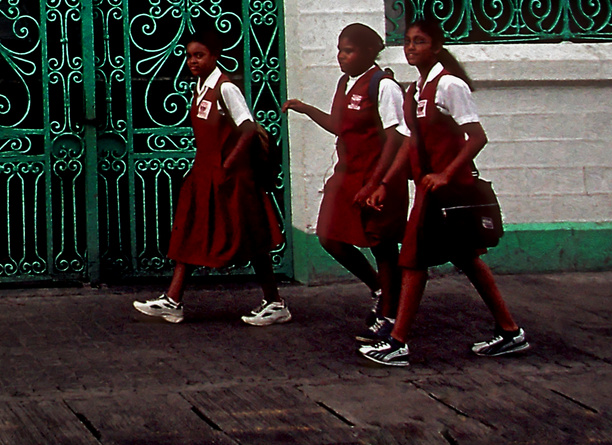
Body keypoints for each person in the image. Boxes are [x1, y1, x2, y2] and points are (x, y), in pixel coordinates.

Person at [359, 17, 528, 367]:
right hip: (428, 189)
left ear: (436, 47)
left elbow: (477, 136)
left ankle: (397, 341)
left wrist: (446, 174)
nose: (411, 48)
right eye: (407, 41)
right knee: (467, 259)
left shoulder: (449, 85)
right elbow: (410, 144)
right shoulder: (414, 90)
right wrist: (384, 184)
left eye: (419, 42)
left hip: (446, 192)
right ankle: (510, 332)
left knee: (413, 262)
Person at [134, 28, 289, 327]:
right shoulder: (200, 87)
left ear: (215, 56)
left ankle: (274, 302)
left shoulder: (226, 88)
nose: (192, 61)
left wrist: (228, 165)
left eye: (199, 55)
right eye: (189, 56)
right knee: (189, 231)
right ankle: (173, 299)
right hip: (205, 173)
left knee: (253, 238)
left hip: (230, 178)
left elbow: (247, 129)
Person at [283, 23, 407, 343]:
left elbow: (396, 137)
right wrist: (305, 108)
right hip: (347, 174)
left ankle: (390, 316)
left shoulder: (383, 85)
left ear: (368, 52)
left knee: (382, 246)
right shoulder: (346, 83)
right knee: (329, 236)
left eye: (348, 50)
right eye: (339, 50)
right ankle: (379, 288)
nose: (342, 56)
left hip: (375, 177)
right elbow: (339, 125)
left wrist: (375, 182)